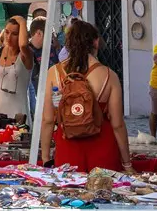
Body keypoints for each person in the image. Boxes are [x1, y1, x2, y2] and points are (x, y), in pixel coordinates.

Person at [38, 19, 128, 171]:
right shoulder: (108, 75)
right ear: (96, 42)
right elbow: (117, 123)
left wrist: (46, 158)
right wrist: (127, 163)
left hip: (68, 149)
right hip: (103, 148)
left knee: (70, 192)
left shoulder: (54, 73)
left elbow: (48, 120)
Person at [0, 16, 32, 120]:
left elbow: (23, 45)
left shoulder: (26, 55)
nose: (9, 37)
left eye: (14, 34)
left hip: (19, 112)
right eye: (7, 32)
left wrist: (22, 22)